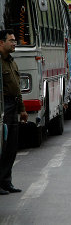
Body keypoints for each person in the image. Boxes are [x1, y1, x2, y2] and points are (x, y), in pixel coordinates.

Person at [0, 29, 28, 195]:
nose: (14, 43)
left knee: (11, 146)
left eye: (15, 40)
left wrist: (22, 109)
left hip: (13, 106)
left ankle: (6, 181)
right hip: (2, 107)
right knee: (2, 146)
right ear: (1, 42)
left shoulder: (11, 62)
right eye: (11, 40)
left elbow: (17, 88)